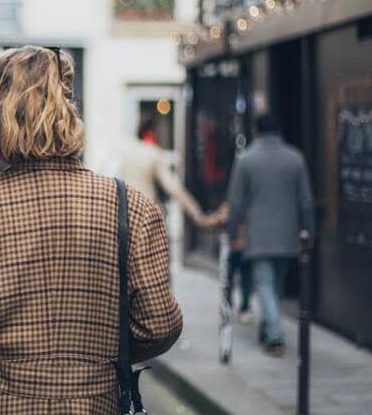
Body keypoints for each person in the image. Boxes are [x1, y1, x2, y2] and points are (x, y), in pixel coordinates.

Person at [0, 46, 182, 415]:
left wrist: (12, 343)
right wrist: (97, 348)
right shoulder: (129, 207)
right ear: (70, 110)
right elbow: (158, 325)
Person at [225, 112, 314, 356]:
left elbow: (236, 202)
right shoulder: (295, 158)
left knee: (264, 285)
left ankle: (274, 336)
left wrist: (231, 233)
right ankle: (267, 330)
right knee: (275, 285)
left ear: (256, 130)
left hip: (259, 234)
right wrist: (310, 231)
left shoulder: (246, 160)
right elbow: (306, 200)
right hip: (288, 235)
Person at [120, 117, 216, 229]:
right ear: (152, 132)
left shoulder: (128, 153)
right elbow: (174, 188)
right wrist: (197, 214)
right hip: (146, 218)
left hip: (126, 217)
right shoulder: (153, 154)